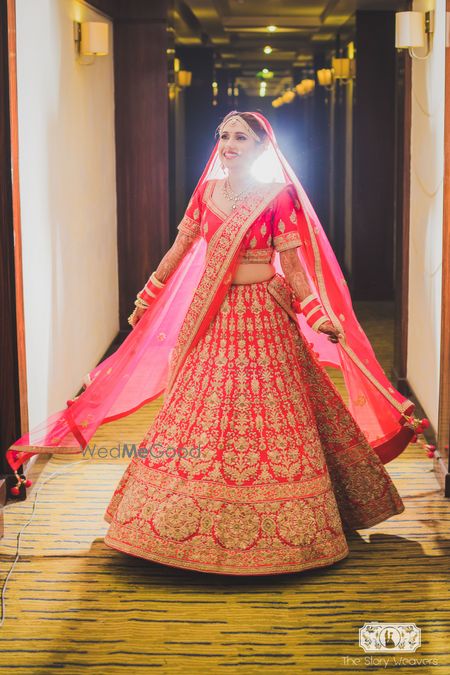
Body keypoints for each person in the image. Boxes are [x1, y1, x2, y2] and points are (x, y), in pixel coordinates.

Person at [6, 111, 425, 576]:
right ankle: (170, 526)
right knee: (201, 410)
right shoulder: (206, 194)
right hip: (215, 315)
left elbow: (294, 264)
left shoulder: (276, 196)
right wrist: (148, 294)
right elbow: (180, 249)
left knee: (275, 413)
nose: (228, 143)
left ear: (262, 146)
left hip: (264, 313)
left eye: (240, 137)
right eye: (223, 136)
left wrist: (316, 312)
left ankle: (297, 528)